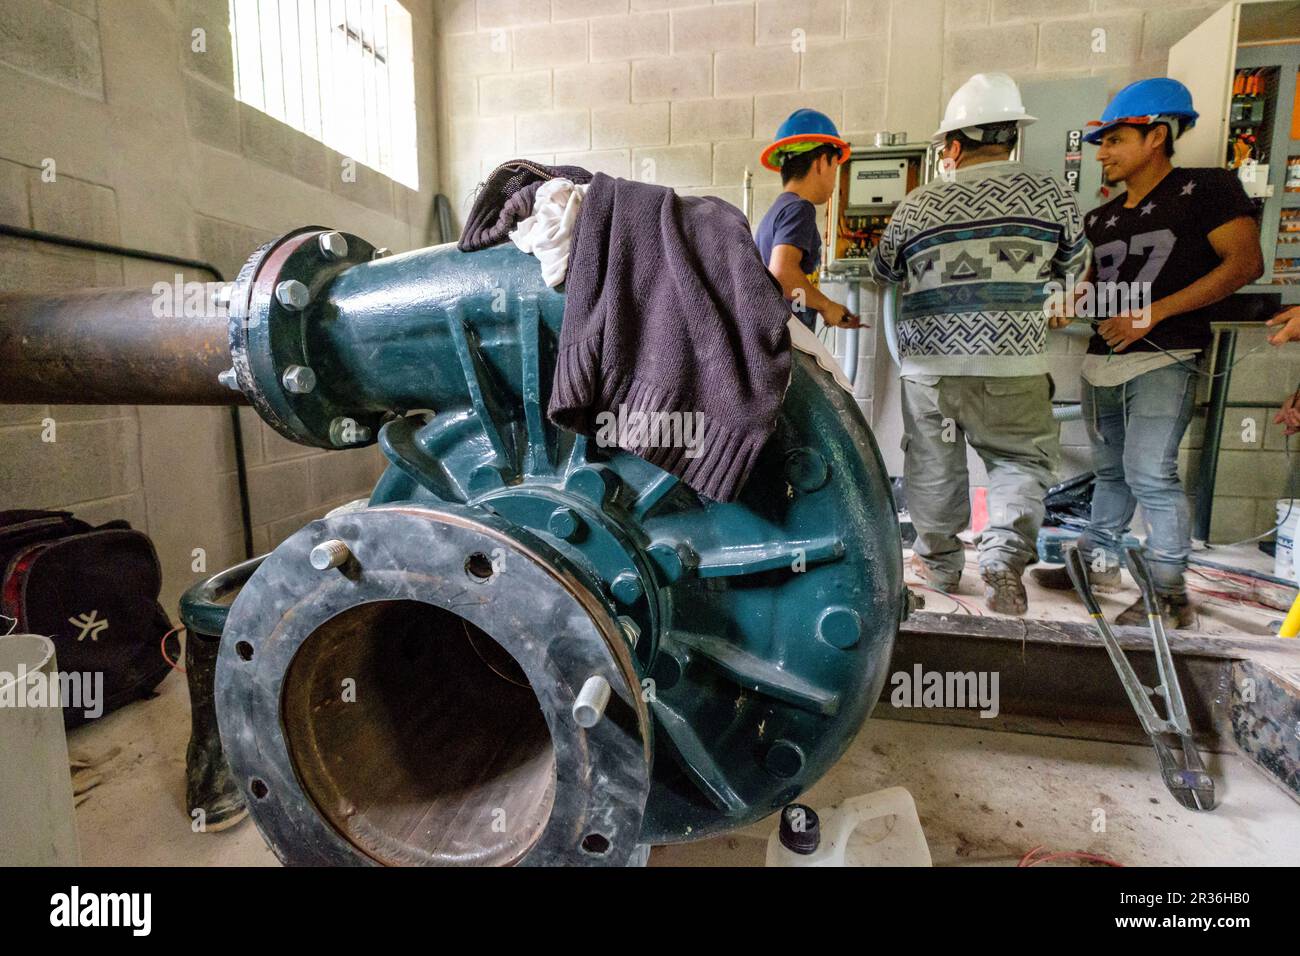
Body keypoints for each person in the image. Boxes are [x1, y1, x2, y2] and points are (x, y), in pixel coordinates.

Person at [1031, 78, 1264, 628]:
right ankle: (1093, 564)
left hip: (1166, 355)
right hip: (1103, 359)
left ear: (1157, 135)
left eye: (1114, 140)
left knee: (1150, 473)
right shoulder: (1103, 216)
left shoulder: (1209, 189)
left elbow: (1243, 265)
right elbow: (1095, 280)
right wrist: (1070, 300)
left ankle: (1168, 592)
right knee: (1110, 470)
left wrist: (1152, 315)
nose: (1103, 153)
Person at [868, 73, 1090, 615]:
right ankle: (1003, 558)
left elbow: (881, 270)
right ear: (1011, 136)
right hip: (1013, 365)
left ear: (953, 146)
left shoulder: (917, 205)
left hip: (929, 368)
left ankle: (942, 565)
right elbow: (1076, 271)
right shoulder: (1052, 193)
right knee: (1019, 461)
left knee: (933, 467)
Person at [755, 109, 860, 332]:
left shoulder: (777, 211)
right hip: (788, 343)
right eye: (835, 166)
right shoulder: (799, 209)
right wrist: (826, 305)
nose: (834, 177)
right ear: (822, 162)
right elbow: (781, 272)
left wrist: (820, 306)